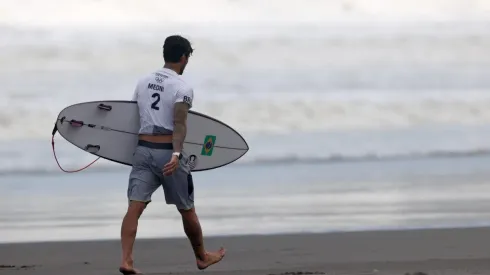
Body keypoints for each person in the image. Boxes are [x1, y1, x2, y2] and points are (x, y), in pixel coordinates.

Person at [119, 35, 226, 275]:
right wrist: (176, 154)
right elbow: (179, 124)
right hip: (168, 155)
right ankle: (201, 257)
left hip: (143, 151)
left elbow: (132, 117)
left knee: (134, 208)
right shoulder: (182, 87)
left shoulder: (143, 81)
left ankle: (127, 260)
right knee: (187, 209)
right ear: (183, 58)